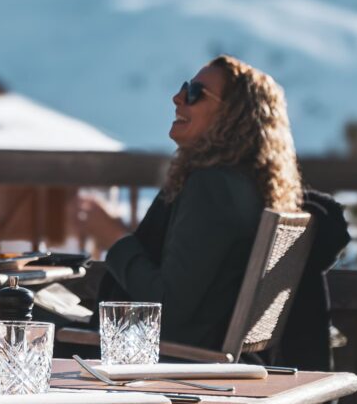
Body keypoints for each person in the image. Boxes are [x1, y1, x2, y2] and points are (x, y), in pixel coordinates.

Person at [98, 55, 303, 353]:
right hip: (200, 357)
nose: (178, 98)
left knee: (19, 320)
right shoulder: (249, 187)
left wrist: (114, 238)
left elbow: (166, 308)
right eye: (184, 88)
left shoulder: (213, 188)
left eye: (195, 93)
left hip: (166, 361)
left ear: (233, 116)